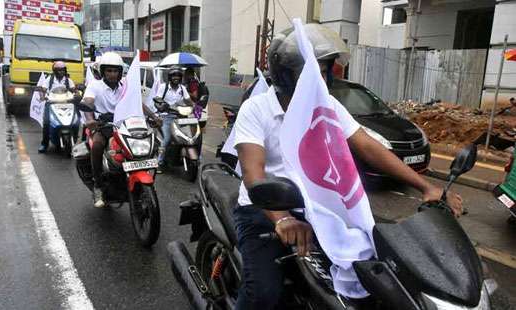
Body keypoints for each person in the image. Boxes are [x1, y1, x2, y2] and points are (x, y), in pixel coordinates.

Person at [232, 24, 464, 310]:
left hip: (316, 210)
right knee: (264, 294)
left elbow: (368, 146)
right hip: (264, 209)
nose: (326, 78)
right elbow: (254, 175)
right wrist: (281, 219)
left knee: (373, 276)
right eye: (318, 70)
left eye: (328, 70)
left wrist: (426, 187)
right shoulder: (256, 110)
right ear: (289, 74)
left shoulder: (326, 105)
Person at [82, 52, 160, 208]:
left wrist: (154, 116)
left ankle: (141, 178)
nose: (112, 74)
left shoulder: (126, 85)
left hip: (126, 125)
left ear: (120, 72)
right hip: (103, 126)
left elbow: (138, 103)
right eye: (109, 71)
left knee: (153, 143)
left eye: (115, 71)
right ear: (103, 71)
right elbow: (88, 101)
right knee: (97, 145)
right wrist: (90, 119)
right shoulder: (95, 86)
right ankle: (98, 185)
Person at [153, 66, 193, 169]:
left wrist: (196, 107)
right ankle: (159, 162)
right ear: (170, 77)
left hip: (180, 117)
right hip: (166, 117)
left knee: (189, 136)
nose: (176, 78)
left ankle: (194, 156)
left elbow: (188, 101)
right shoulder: (164, 87)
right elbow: (157, 99)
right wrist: (162, 105)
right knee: (166, 139)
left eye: (178, 76)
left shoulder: (182, 88)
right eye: (174, 75)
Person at [38, 61, 76, 153]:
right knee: (46, 122)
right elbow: (43, 89)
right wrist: (43, 96)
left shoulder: (68, 80)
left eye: (63, 70)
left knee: (76, 120)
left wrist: (76, 94)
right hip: (52, 103)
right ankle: (44, 144)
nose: (61, 72)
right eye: (58, 70)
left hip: (67, 103)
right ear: (54, 71)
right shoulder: (49, 80)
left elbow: (74, 90)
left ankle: (75, 140)